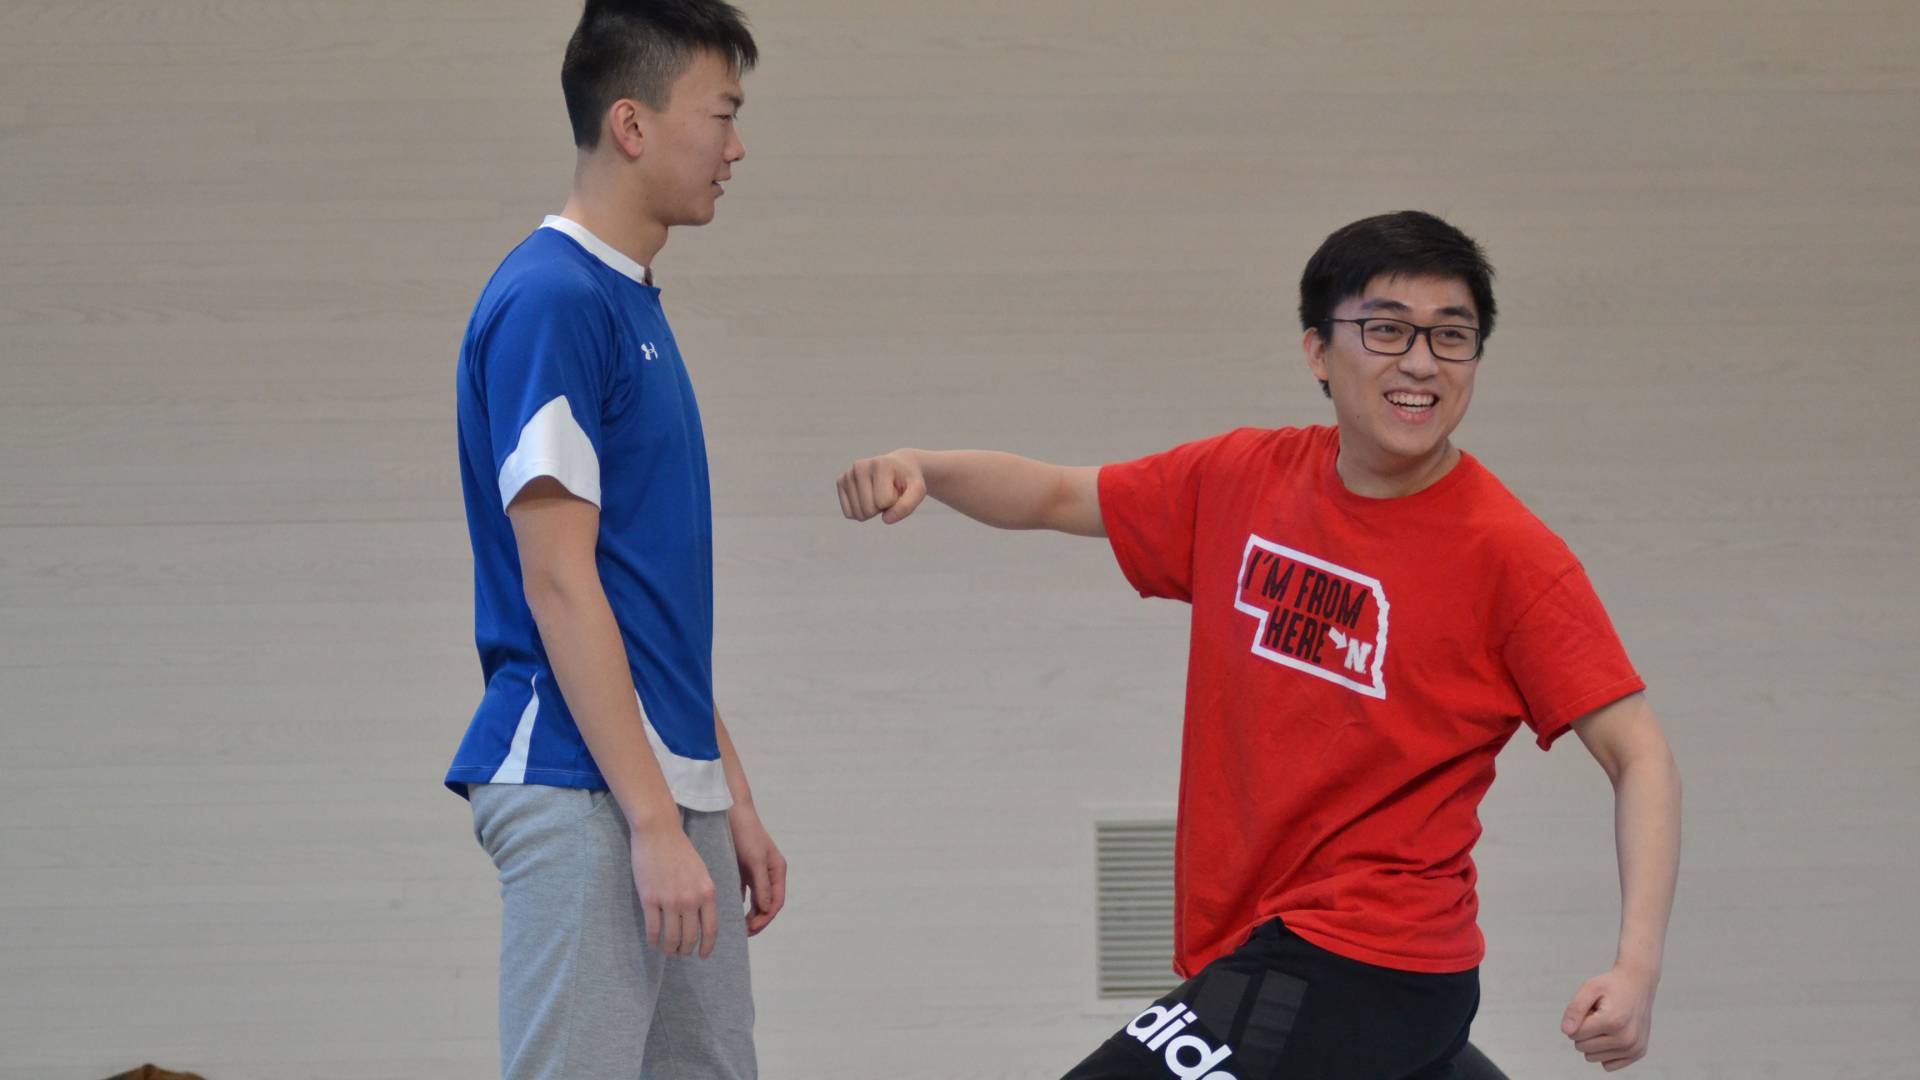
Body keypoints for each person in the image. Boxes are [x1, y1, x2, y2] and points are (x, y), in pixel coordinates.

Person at [837, 211, 1681, 1077]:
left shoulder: (1509, 554)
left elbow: (1639, 755)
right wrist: (927, 469)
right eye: (1386, 330)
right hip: (1260, 940)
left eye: (1451, 336)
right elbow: (1057, 494)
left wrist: (1637, 969)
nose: (1421, 362)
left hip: (1366, 955)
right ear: (1319, 350)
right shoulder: (1244, 478)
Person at [446, 2, 783, 1077]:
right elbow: (558, 583)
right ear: (631, 125)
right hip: (579, 782)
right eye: (721, 114)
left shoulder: (629, 301)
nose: (736, 148)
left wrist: (726, 798)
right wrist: (651, 820)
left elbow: (648, 604)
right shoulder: (552, 299)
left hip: (655, 790)